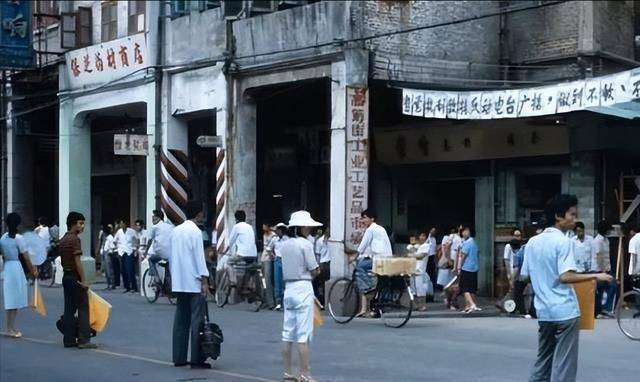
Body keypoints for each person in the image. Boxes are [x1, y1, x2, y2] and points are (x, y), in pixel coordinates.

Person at [521, 194, 613, 382]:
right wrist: (596, 275)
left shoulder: (532, 242)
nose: (574, 218)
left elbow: (524, 275)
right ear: (558, 216)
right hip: (565, 312)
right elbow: (565, 276)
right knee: (565, 366)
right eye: (571, 214)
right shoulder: (563, 242)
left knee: (543, 361)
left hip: (544, 311)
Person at [280, 210, 321, 382]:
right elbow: (314, 269)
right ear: (303, 227)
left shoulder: (285, 244)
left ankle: (288, 372)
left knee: (287, 333)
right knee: (303, 335)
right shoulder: (305, 245)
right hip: (303, 287)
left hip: (288, 288)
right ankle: (305, 373)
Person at [170, 201, 211, 369]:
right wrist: (205, 279)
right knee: (197, 321)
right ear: (198, 214)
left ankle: (178, 357)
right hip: (193, 281)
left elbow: (171, 256)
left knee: (181, 320)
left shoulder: (175, 231)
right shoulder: (195, 232)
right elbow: (199, 259)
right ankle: (196, 358)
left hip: (179, 281)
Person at [60, 211, 97, 349]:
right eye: (80, 223)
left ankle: (68, 340)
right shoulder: (75, 239)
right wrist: (84, 280)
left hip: (66, 276)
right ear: (73, 224)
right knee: (83, 307)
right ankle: (83, 340)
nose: (82, 227)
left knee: (69, 309)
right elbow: (77, 261)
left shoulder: (63, 239)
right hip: (74, 277)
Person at [0, 213, 35, 338]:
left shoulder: (3, 238)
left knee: (10, 299)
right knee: (14, 299)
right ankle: (11, 328)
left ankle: (10, 327)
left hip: (8, 267)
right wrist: (32, 271)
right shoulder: (19, 238)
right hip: (16, 267)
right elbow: (26, 258)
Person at [353, 209, 393, 316]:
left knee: (360, 267)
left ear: (372, 219)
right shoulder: (380, 229)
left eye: (365, 217)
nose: (363, 220)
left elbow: (362, 246)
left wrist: (354, 257)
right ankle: (377, 307)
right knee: (381, 282)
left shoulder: (370, 230)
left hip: (379, 258)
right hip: (386, 258)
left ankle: (367, 288)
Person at [224, 210, 258, 287]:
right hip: (253, 254)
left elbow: (230, 241)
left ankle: (233, 281)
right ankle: (246, 285)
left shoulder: (237, 227)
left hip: (242, 254)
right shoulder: (250, 227)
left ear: (236, 219)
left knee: (229, 262)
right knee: (248, 269)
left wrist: (224, 251)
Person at [591, 220, 617, 318]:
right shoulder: (598, 241)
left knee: (610, 287)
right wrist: (603, 271)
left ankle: (605, 309)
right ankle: (599, 311)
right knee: (601, 290)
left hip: (606, 268)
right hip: (599, 270)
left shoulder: (606, 240)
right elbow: (599, 257)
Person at [457, 226, 481, 314]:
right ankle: (468, 306)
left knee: (464, 288)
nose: (464, 233)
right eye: (463, 231)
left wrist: (459, 267)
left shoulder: (467, 243)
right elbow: (478, 254)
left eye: (466, 231)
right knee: (472, 289)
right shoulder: (474, 242)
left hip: (466, 268)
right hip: (474, 267)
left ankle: (471, 304)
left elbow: (463, 256)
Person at [145, 210, 174, 277]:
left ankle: (156, 279)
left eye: (154, 216)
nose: (152, 218)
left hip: (161, 253)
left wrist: (146, 252)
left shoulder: (155, 227)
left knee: (151, 260)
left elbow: (149, 241)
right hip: (171, 253)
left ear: (159, 218)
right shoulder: (170, 226)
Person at [270, 223, 290, 311]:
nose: (277, 232)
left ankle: (284, 302)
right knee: (277, 281)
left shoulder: (287, 239)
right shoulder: (275, 239)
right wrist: (274, 256)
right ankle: (278, 302)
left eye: (278, 230)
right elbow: (269, 249)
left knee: (284, 282)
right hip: (277, 260)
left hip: (286, 261)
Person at [114, 219, 137, 293]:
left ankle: (134, 286)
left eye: (122, 224)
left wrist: (135, 249)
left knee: (130, 270)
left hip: (129, 251)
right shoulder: (119, 232)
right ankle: (127, 287)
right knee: (123, 270)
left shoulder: (131, 231)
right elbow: (115, 241)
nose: (121, 225)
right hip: (121, 252)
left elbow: (136, 240)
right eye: (120, 224)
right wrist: (117, 248)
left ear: (125, 224)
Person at [411, 231, 431, 311]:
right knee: (414, 290)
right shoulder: (418, 246)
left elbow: (421, 256)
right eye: (420, 236)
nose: (422, 237)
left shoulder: (426, 245)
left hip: (420, 271)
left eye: (423, 236)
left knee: (421, 290)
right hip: (413, 271)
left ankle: (423, 305)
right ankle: (416, 305)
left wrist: (412, 255)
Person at [311, 228, 330, 305]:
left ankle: (325, 301)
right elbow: (318, 255)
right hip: (323, 263)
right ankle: (321, 301)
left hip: (330, 262)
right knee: (320, 283)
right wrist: (318, 265)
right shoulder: (319, 241)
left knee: (325, 283)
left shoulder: (333, 240)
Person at [101, 225, 116, 290]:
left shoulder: (110, 238)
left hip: (108, 254)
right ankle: (108, 284)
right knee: (106, 270)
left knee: (109, 269)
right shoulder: (105, 238)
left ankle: (112, 284)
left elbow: (112, 247)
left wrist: (109, 251)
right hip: (104, 254)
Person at [425, 227, 438, 294]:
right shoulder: (428, 239)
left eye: (434, 231)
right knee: (428, 272)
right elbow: (426, 242)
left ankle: (432, 287)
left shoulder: (434, 239)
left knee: (432, 273)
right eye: (432, 231)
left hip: (432, 257)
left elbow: (434, 249)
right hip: (428, 257)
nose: (433, 232)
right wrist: (429, 234)